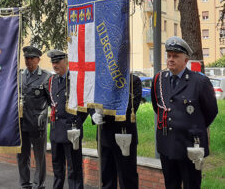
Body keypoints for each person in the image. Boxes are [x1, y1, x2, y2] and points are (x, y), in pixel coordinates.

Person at [151, 36, 218, 189]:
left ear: (185, 60)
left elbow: (211, 111)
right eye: (169, 55)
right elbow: (158, 108)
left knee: (191, 185)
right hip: (167, 145)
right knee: (171, 185)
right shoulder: (159, 79)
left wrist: (193, 126)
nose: (171, 59)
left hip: (190, 146)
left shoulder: (199, 82)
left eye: (175, 56)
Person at [92, 74, 142, 189]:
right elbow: (92, 100)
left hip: (124, 137)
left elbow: (130, 107)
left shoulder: (133, 80)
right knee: (107, 178)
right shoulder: (101, 79)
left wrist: (104, 111)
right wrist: (93, 113)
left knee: (127, 179)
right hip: (104, 135)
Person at [47, 49, 87, 189]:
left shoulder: (75, 79)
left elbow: (85, 104)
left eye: (57, 62)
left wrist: (77, 122)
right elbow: (50, 102)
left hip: (71, 131)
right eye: (53, 63)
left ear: (65, 61)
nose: (55, 65)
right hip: (56, 129)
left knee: (74, 168)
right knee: (57, 167)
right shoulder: (52, 80)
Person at [17, 46, 51, 189]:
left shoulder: (46, 76)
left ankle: (38, 185)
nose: (29, 61)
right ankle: (25, 184)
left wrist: (45, 116)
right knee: (22, 157)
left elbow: (52, 101)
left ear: (38, 59)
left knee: (39, 157)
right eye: (26, 58)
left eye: (32, 58)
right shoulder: (19, 76)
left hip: (37, 124)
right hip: (21, 123)